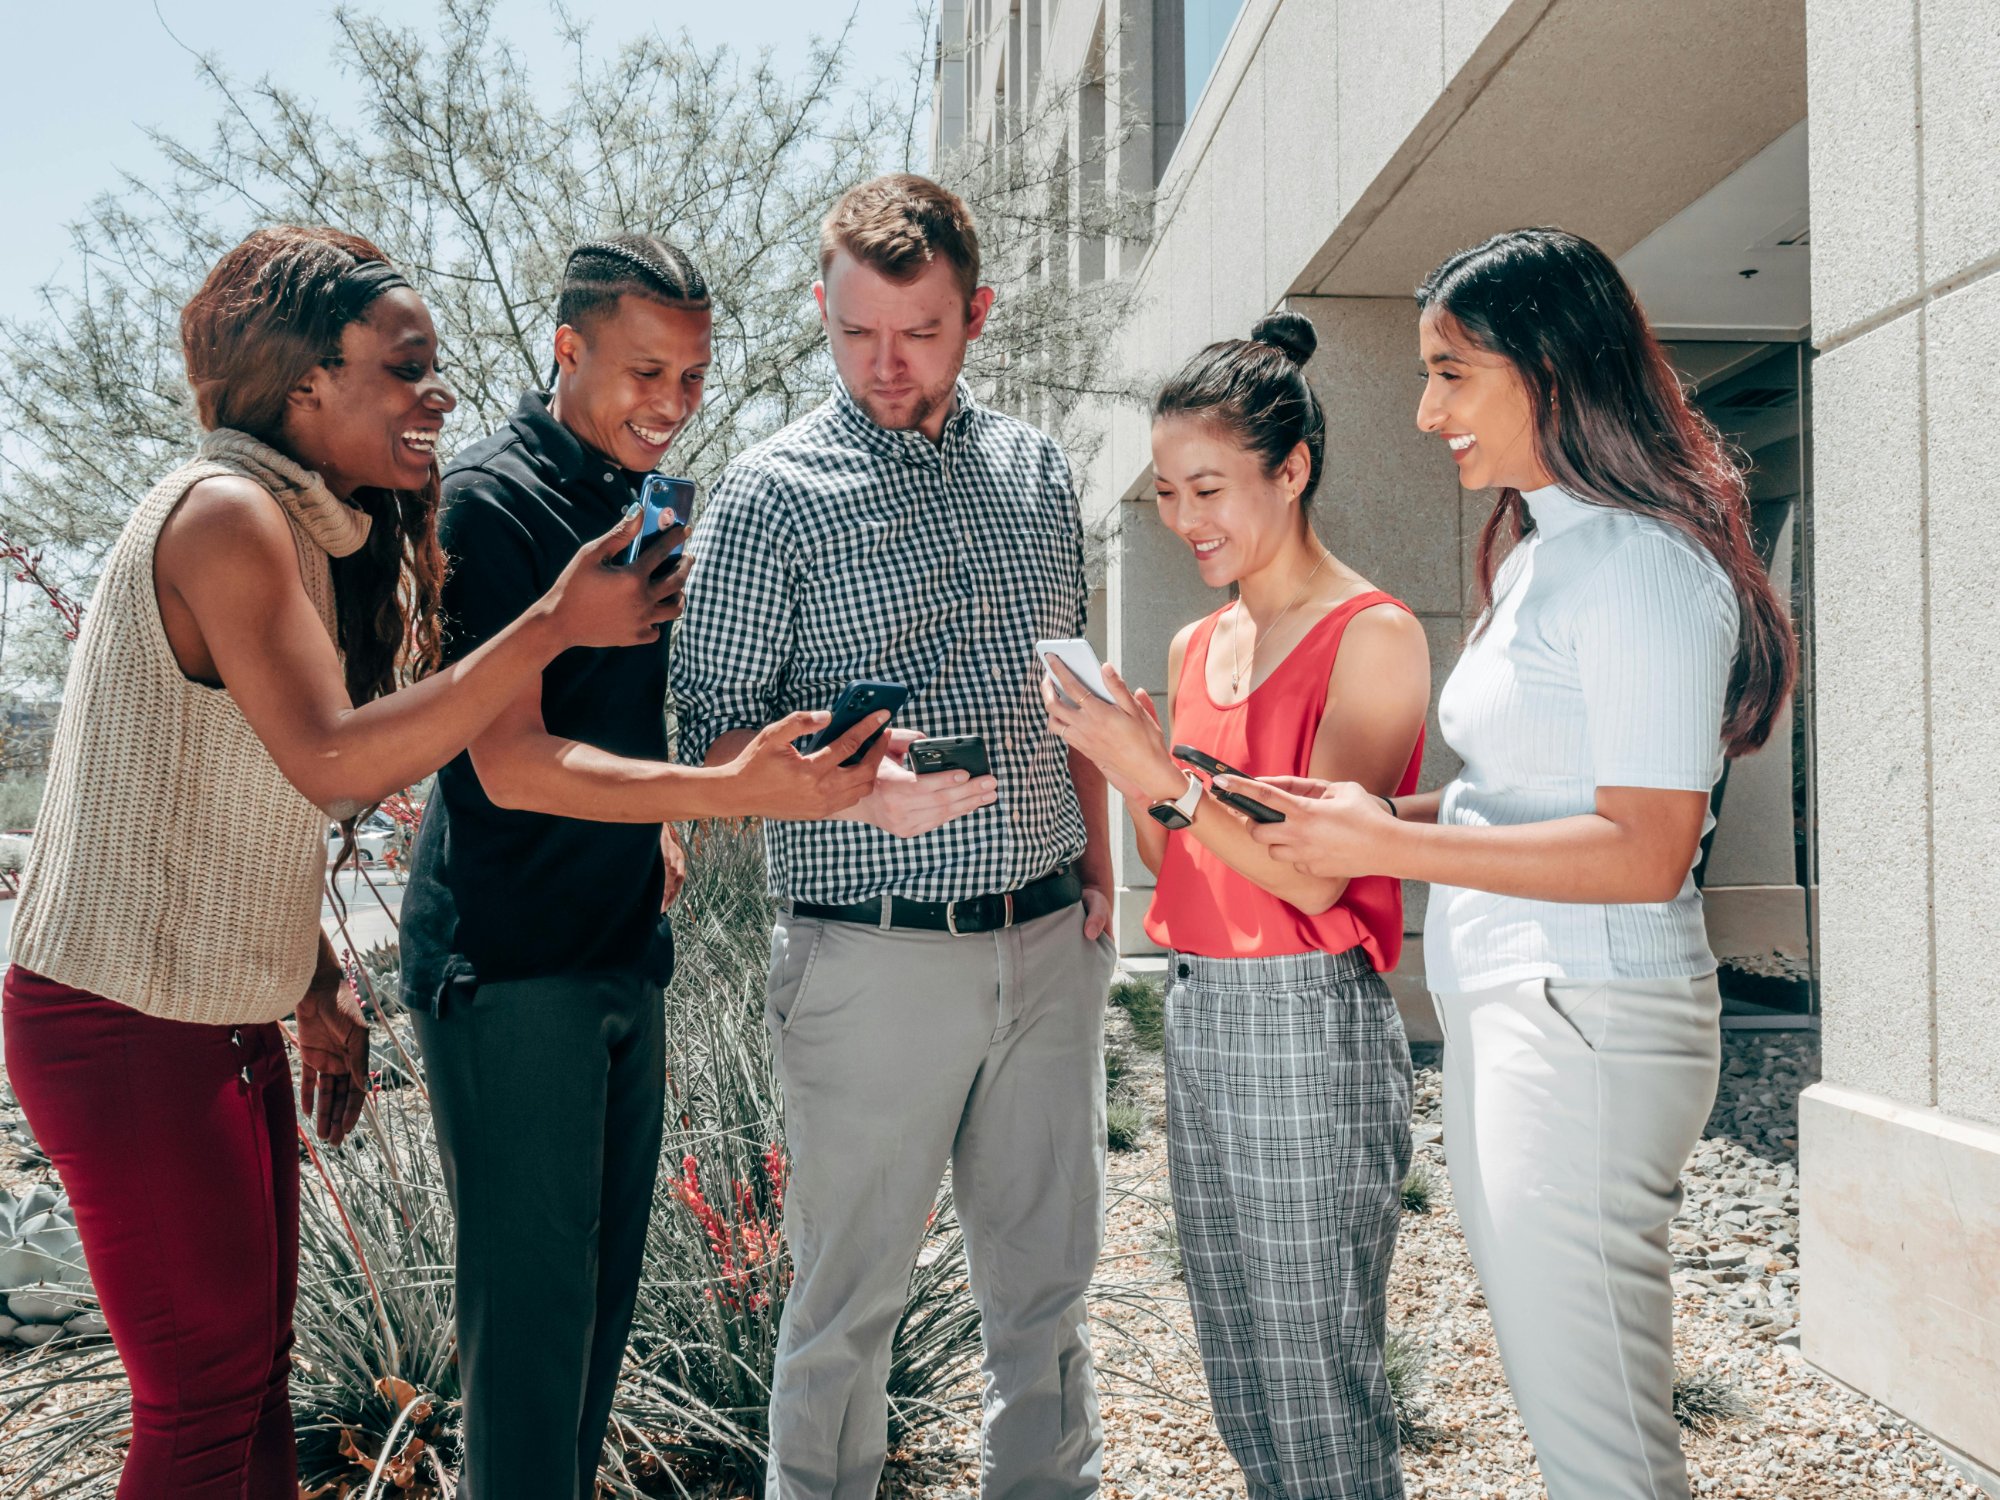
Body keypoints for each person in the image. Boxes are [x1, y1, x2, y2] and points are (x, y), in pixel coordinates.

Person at [1, 225, 681, 1497]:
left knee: (249, 1388)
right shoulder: (225, 515)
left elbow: (229, 786)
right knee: (202, 1410)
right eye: (407, 366)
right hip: (120, 1020)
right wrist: (556, 623)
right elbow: (335, 763)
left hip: (215, 1012)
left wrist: (313, 978)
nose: (442, 396)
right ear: (305, 380)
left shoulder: (314, 532)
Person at [1233, 228, 1798, 1500]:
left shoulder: (1642, 565)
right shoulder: (1547, 550)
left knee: (1598, 1441)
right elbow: (1523, 796)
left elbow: (1646, 849)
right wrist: (1373, 809)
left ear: (1546, 368)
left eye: (1450, 371)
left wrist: (1385, 842)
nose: (1425, 409)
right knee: (1569, 1416)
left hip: (1586, 1016)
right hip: (1533, 1006)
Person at [397, 235, 889, 1500]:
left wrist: (665, 817)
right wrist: (724, 793)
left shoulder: (644, 499)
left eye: (692, 375)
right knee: (530, 1343)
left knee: (592, 1333)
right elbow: (507, 766)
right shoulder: (486, 505)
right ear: (566, 349)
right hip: (507, 969)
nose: (672, 403)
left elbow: (611, 724)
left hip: (620, 952)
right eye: (643, 370)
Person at [671, 174, 1118, 1500]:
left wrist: (1099, 866)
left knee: (1046, 1308)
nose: (885, 363)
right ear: (822, 307)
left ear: (975, 315)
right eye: (857, 331)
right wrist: (848, 791)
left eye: (918, 332)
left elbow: (1071, 688)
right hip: (866, 959)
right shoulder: (767, 498)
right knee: (844, 1319)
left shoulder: (1039, 471)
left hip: (1046, 945)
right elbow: (703, 749)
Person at [1044, 312, 1429, 1500]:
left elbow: (1313, 873)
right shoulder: (1196, 637)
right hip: (1202, 1015)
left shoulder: (1374, 637)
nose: (1185, 519)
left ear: (1293, 467)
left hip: (1308, 1018)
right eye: (1164, 493)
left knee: (1318, 1385)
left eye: (1207, 486)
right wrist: (1155, 781)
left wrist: (1155, 779)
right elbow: (1199, 865)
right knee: (1242, 1378)